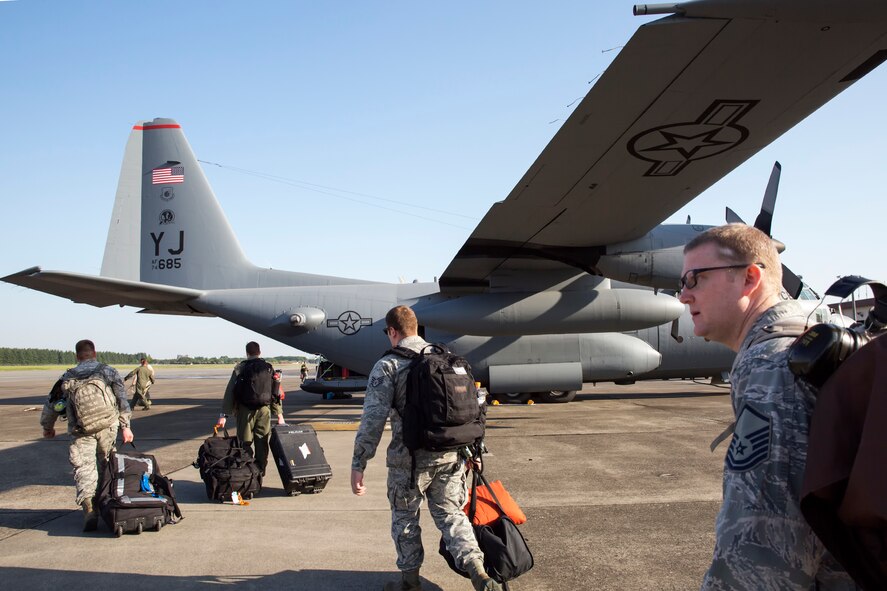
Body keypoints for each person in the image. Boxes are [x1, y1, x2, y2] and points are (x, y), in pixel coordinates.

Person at [679, 224, 856, 590]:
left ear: (750, 278)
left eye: (695, 279)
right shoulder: (797, 350)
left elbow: (762, 549)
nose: (683, 296)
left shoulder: (772, 368)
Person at [350, 305, 501, 591]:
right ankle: (478, 572)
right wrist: (475, 453)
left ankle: (410, 583)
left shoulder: (389, 365)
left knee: (405, 519)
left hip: (409, 461)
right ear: (416, 328)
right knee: (452, 516)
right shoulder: (446, 358)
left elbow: (372, 419)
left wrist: (359, 463)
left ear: (392, 331)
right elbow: (470, 409)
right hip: (451, 456)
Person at [40, 339, 134, 531]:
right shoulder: (108, 371)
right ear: (94, 353)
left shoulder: (67, 377)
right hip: (107, 427)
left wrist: (47, 427)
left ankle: (89, 508)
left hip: (81, 430)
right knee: (107, 464)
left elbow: (52, 405)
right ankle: (106, 503)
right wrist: (126, 426)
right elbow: (122, 401)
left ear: (77, 356)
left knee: (84, 468)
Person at [216, 341, 284, 476]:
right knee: (262, 442)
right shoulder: (268, 367)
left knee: (245, 443)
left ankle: (248, 472)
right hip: (264, 410)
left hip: (245, 410)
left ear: (247, 353)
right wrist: (279, 415)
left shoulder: (240, 368)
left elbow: (230, 391)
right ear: (260, 352)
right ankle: (261, 472)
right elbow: (275, 392)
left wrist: (224, 415)